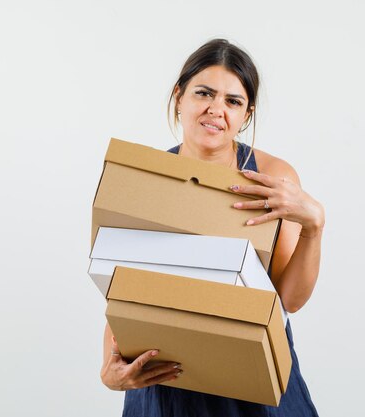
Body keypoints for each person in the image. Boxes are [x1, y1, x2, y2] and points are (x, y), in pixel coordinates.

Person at [100, 39, 324, 416]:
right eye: (204, 93)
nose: (216, 110)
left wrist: (314, 227)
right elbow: (123, 285)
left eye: (233, 101)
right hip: (169, 379)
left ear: (246, 114)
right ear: (179, 97)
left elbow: (290, 300)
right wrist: (110, 368)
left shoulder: (272, 177)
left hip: (251, 376)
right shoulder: (143, 179)